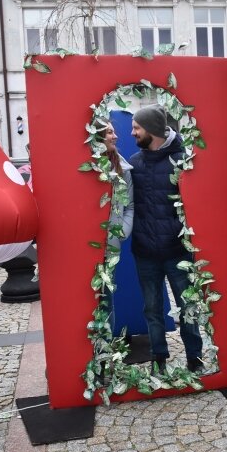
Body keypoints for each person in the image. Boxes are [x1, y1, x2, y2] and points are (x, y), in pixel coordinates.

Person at [128, 104, 203, 374]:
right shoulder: (134, 162)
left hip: (177, 250)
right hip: (145, 251)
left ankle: (195, 357)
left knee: (188, 307)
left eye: (137, 127)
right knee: (152, 308)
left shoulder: (183, 159)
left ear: (152, 130)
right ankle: (158, 358)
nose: (133, 132)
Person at [95, 118, 134, 331]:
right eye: (109, 132)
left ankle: (106, 353)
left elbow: (130, 206)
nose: (115, 136)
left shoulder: (123, 169)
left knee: (106, 299)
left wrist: (121, 233)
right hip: (84, 247)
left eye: (113, 131)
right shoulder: (86, 167)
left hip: (110, 247)